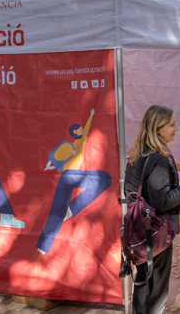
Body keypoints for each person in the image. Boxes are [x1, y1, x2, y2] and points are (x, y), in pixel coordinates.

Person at [125, 105, 180, 313]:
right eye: (171, 125)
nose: (176, 129)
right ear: (157, 128)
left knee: (142, 280)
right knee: (156, 289)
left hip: (138, 230)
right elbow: (162, 200)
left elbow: (134, 192)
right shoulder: (157, 159)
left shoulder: (137, 154)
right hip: (156, 230)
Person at [37, 109, 112, 255]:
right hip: (67, 175)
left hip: (75, 175)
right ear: (73, 133)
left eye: (80, 129)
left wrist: (90, 116)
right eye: (77, 130)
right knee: (56, 211)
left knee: (105, 178)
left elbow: (87, 129)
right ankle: (42, 247)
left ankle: (70, 209)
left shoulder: (81, 141)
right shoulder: (68, 145)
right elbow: (54, 158)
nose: (80, 130)